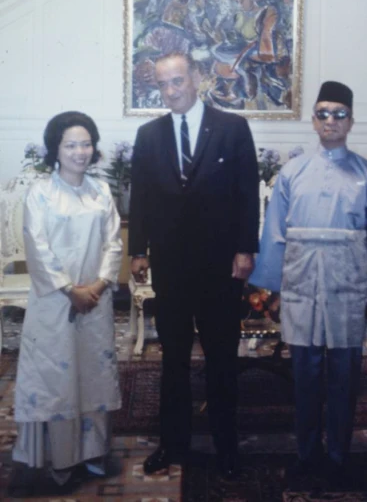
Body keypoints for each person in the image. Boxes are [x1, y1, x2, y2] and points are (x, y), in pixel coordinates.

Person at [250, 80, 367, 488]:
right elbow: (275, 235)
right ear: (313, 120)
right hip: (301, 286)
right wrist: (272, 290)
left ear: (350, 121)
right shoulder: (293, 172)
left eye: (339, 114)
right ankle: (306, 453)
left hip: (348, 289)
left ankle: (338, 454)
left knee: (343, 375)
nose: (330, 121)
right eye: (323, 113)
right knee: (304, 373)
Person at [129, 51, 259, 479]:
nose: (170, 91)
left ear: (197, 78)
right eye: (163, 84)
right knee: (174, 360)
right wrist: (139, 250)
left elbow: (246, 193)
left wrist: (245, 249)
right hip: (171, 268)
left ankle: (226, 446)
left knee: (222, 359)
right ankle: (173, 443)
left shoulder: (233, 128)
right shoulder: (149, 135)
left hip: (221, 268)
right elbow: (141, 198)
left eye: (178, 81)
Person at [10, 111, 122, 496]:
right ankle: (61, 458)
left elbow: (114, 242)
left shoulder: (101, 191)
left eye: (86, 143)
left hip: (96, 300)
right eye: (71, 144)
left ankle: (92, 452)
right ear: (55, 149)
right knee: (57, 379)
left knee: (92, 374)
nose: (80, 151)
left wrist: (99, 284)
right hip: (55, 304)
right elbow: (37, 247)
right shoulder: (41, 192)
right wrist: (69, 290)